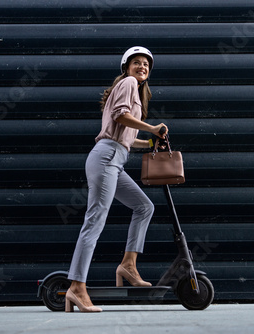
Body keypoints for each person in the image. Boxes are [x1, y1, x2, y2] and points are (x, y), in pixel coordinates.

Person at [65, 46, 168, 312]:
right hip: (106, 157)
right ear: (126, 67)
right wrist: (152, 127)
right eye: (136, 62)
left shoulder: (131, 88)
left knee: (144, 207)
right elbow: (121, 116)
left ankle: (128, 265)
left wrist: (150, 141)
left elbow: (127, 136)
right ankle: (76, 287)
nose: (142, 67)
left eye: (146, 64)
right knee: (94, 222)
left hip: (115, 159)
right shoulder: (129, 82)